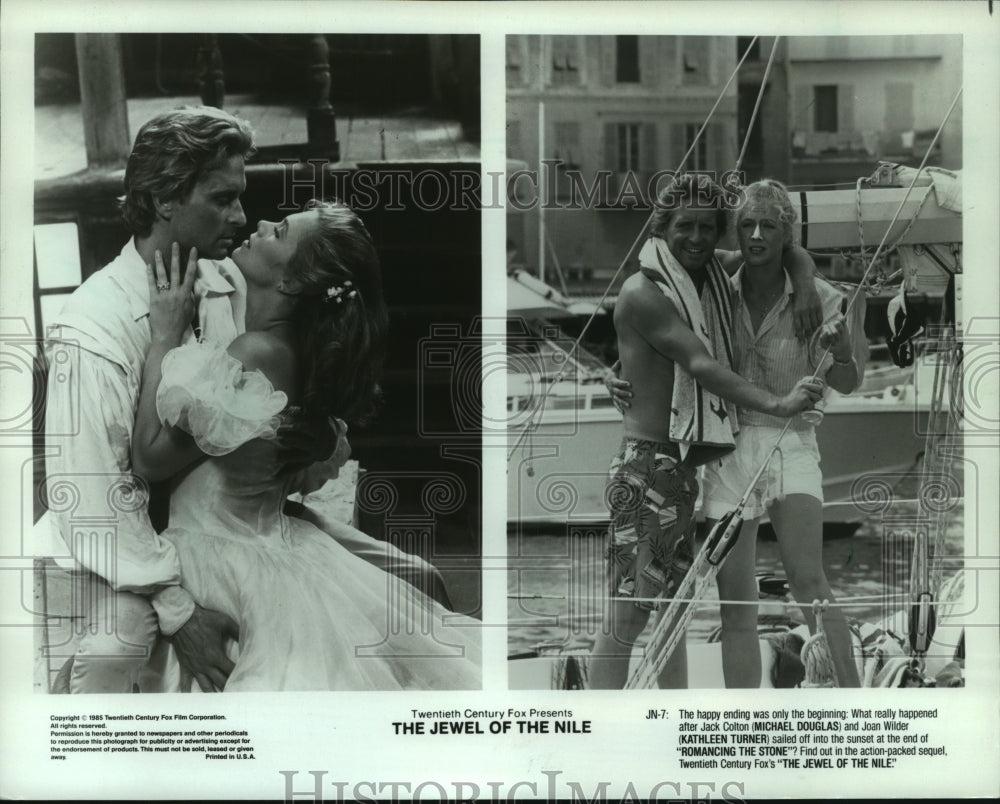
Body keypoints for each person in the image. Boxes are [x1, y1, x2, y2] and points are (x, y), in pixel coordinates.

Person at [42, 106, 446, 694]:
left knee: (420, 579)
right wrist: (177, 610)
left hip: (233, 522)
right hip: (127, 545)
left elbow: (281, 394)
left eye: (241, 197)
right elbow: (98, 497)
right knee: (113, 652)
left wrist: (315, 438)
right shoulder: (94, 327)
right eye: (222, 198)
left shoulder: (230, 282)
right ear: (163, 200)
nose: (242, 215)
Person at [130, 200, 480, 690]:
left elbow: (148, 457)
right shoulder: (289, 348)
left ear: (293, 283)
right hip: (270, 544)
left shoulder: (254, 352)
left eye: (280, 232)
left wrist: (164, 335)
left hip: (220, 552)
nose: (262, 222)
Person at [588, 173, 825, 690]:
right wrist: (779, 403)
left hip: (683, 472)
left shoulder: (705, 277)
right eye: (684, 227)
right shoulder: (645, 291)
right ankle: (596, 721)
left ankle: (671, 723)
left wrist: (805, 280)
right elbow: (699, 363)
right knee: (628, 613)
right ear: (661, 228)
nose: (696, 238)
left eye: (706, 228)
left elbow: (784, 251)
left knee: (673, 613)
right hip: (648, 465)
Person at [706, 179, 863, 688]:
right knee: (736, 601)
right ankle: (742, 717)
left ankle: (857, 702)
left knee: (809, 580)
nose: (756, 235)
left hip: (791, 441)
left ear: (786, 235)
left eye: (768, 226)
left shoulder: (823, 297)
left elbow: (850, 381)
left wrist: (839, 352)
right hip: (727, 447)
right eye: (747, 225)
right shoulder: (716, 288)